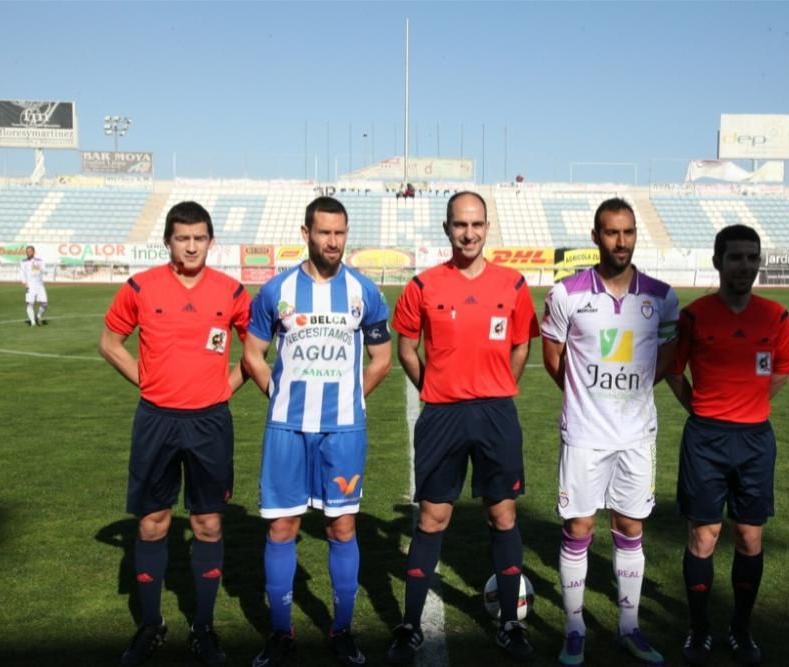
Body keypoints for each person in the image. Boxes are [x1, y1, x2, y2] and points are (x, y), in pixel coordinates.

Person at [387, 191, 540, 664]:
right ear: (447, 228)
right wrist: (432, 389)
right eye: (459, 225)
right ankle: (410, 626)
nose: (468, 233)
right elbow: (406, 348)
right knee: (433, 517)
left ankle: (510, 624)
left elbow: (521, 347)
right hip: (442, 415)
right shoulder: (423, 285)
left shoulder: (512, 284)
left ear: (487, 226)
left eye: (476, 225)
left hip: (495, 414)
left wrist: (498, 388)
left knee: (503, 516)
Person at [98, 201, 251, 667]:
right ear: (168, 240)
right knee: (151, 523)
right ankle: (151, 626)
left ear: (210, 241)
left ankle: (202, 628)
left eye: (199, 238)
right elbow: (109, 342)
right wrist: (146, 380)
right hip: (156, 420)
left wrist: (227, 385)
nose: (190, 246)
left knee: (207, 524)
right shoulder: (141, 286)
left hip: (209, 423)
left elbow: (258, 348)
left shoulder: (231, 291)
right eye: (182, 238)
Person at [241, 196, 392, 666]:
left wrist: (353, 397)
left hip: (343, 432)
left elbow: (382, 358)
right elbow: (252, 354)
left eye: (340, 233)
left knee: (341, 526)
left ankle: (342, 629)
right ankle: (281, 632)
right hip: (287, 428)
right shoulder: (276, 291)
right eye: (324, 232)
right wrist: (278, 395)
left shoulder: (364, 292)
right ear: (305, 233)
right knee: (282, 528)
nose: (333, 241)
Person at [541, 198, 678, 667]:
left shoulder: (661, 296)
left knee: (630, 527)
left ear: (636, 235)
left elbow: (666, 356)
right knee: (579, 527)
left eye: (628, 232)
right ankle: (575, 628)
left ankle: (629, 626)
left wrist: (632, 389)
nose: (621, 241)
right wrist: (585, 396)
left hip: (637, 435)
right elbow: (553, 357)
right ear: (596, 236)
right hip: (583, 434)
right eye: (611, 232)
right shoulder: (566, 294)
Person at [664, 224, 789, 667]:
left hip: (755, 439)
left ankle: (741, 630)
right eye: (736, 257)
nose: (745, 265)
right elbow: (673, 370)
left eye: (751, 257)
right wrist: (701, 409)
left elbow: (782, 369)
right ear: (717, 261)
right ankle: (699, 630)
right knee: (704, 535)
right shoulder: (695, 315)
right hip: (705, 437)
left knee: (748, 535)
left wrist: (751, 404)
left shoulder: (776, 316)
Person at [20, 244, 48, 326]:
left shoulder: (39, 261)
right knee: (30, 303)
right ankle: (33, 322)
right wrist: (24, 282)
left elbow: (45, 271)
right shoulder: (23, 262)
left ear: (33, 252)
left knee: (44, 303)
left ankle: (38, 316)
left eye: (30, 251)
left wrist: (39, 267)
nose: (28, 253)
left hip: (39, 284)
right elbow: (22, 272)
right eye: (27, 251)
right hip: (30, 285)